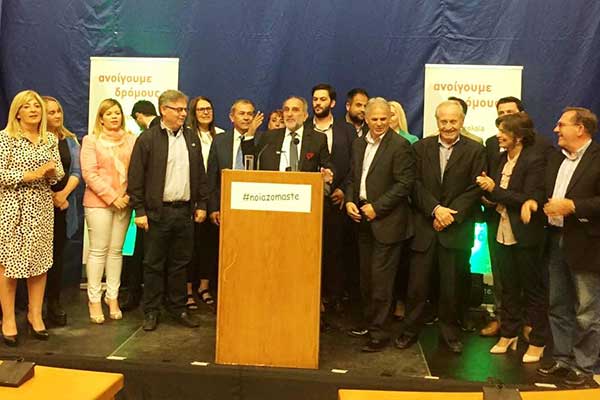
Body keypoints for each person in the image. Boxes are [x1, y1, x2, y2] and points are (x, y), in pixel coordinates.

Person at [395, 100, 486, 353]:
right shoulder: (420, 148)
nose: (448, 126)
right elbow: (413, 184)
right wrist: (436, 209)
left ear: (462, 121)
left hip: (456, 229)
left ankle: (450, 334)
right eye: (443, 121)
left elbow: (475, 188)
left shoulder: (476, 150)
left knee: (451, 288)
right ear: (437, 121)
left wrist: (450, 215)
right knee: (416, 287)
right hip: (425, 227)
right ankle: (409, 331)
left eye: (453, 121)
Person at [128, 89, 208, 331]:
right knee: (153, 264)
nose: (183, 114)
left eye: (185, 109)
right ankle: (151, 311)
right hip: (157, 213)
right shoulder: (148, 139)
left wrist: (202, 204)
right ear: (163, 110)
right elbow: (136, 177)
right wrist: (139, 210)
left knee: (180, 264)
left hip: (184, 212)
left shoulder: (191, 138)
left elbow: (200, 174)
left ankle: (178, 308)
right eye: (178, 109)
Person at [534, 107, 600, 387]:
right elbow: (545, 192)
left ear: (580, 129)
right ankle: (562, 358)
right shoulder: (556, 158)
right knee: (558, 304)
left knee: (587, 310)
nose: (555, 129)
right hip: (554, 238)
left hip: (587, 244)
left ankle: (585, 366)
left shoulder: (598, 158)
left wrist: (573, 206)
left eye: (561, 125)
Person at [475, 112, 548, 363]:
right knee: (507, 286)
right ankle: (509, 333)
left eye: (504, 131)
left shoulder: (534, 160)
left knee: (532, 289)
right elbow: (500, 194)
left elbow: (528, 197)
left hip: (525, 233)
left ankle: (537, 341)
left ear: (518, 137)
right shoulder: (499, 158)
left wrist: (494, 190)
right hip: (501, 230)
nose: (498, 136)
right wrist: (488, 194)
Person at [345, 97, 415, 352]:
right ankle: (370, 323)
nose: (379, 123)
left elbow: (404, 184)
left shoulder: (400, 145)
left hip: (388, 222)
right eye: (374, 119)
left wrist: (377, 207)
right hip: (362, 219)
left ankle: (379, 333)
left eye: (383, 119)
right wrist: (349, 201)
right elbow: (353, 177)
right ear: (366, 119)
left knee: (381, 282)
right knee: (366, 279)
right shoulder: (358, 143)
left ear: (391, 118)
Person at [0, 89, 64, 346]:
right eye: (27, 106)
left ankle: (35, 316)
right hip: (12, 208)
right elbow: (1, 174)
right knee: (9, 265)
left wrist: (50, 174)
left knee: (39, 263)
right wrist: (33, 174)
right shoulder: (5, 138)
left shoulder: (49, 139)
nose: (34, 110)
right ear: (17, 112)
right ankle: (8, 320)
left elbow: (58, 173)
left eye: (36, 106)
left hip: (41, 209)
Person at [81, 98, 136, 324]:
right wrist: (113, 197)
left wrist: (127, 196)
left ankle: (112, 297)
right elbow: (89, 173)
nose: (114, 116)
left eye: (117, 112)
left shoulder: (132, 140)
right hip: (98, 203)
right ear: (101, 118)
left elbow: (137, 170)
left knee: (116, 251)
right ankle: (94, 299)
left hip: (125, 201)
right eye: (109, 113)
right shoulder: (91, 140)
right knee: (98, 251)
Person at [305, 84, 355, 313]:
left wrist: (343, 190)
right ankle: (312, 297)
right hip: (307, 203)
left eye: (323, 99)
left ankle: (335, 298)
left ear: (332, 103)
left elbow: (355, 164)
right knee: (310, 251)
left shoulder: (347, 130)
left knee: (335, 251)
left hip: (337, 200)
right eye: (315, 99)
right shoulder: (304, 128)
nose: (318, 103)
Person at [43, 96, 82, 326]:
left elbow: (76, 172)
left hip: (63, 207)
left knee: (56, 258)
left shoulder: (70, 140)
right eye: (51, 112)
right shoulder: (34, 141)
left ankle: (53, 303)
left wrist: (62, 195)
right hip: (38, 207)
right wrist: (50, 196)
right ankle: (31, 306)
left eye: (58, 111)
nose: (57, 115)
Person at [186, 96, 225, 309]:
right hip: (192, 197)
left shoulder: (220, 135)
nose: (206, 112)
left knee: (209, 245)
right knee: (190, 247)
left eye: (209, 108)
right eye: (201, 109)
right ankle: (187, 290)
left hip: (214, 197)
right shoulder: (186, 134)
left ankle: (204, 287)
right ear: (194, 112)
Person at [257, 96, 333, 178]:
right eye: (286, 110)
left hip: (305, 185)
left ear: (305, 116)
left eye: (295, 110)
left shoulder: (318, 139)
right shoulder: (269, 137)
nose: (289, 114)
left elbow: (327, 167)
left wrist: (328, 173)